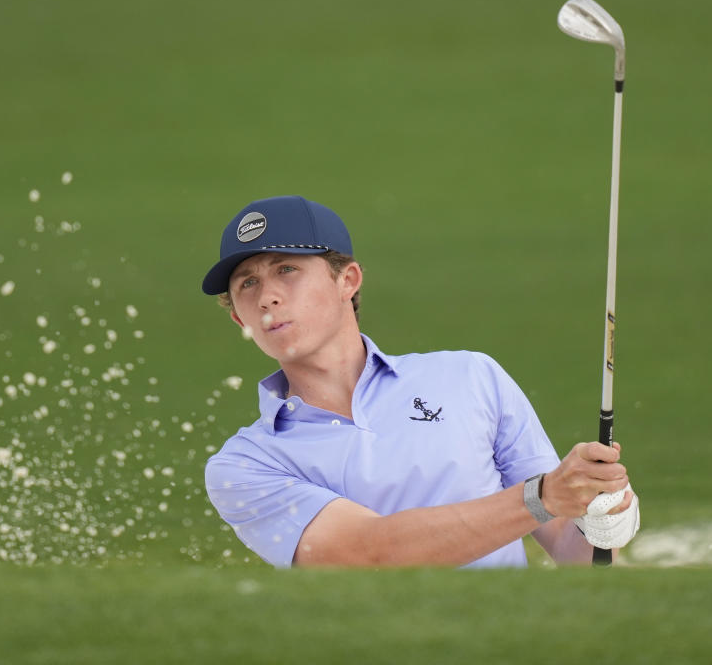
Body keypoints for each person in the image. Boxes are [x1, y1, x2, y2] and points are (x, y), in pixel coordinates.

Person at [201, 195, 640, 568]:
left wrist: (601, 519)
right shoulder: (245, 465)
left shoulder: (470, 376)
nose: (267, 297)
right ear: (239, 317)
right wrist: (541, 498)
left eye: (286, 270)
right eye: (248, 283)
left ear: (347, 281)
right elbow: (366, 554)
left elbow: (569, 542)